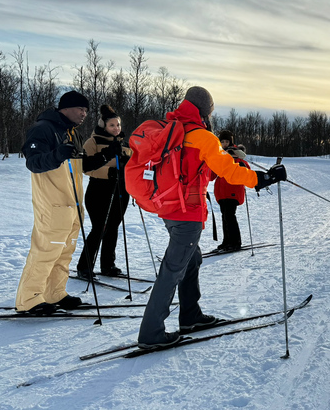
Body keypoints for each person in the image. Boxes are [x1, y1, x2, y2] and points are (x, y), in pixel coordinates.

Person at [136, 87, 287, 349]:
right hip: (187, 213)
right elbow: (229, 170)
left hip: (168, 208)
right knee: (172, 270)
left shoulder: (172, 129)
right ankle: (151, 333)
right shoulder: (202, 136)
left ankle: (190, 316)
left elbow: (203, 171)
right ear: (205, 110)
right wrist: (262, 178)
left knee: (191, 259)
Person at [16, 91, 115, 314]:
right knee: (45, 251)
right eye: (80, 109)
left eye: (86, 111)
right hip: (52, 205)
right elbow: (34, 163)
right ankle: (29, 299)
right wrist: (57, 154)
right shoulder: (43, 128)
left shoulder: (73, 133)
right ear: (66, 108)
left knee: (64, 252)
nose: (84, 114)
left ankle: (54, 293)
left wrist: (105, 158)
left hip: (72, 205)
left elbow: (81, 167)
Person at [76, 105, 132, 279]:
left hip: (120, 190)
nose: (116, 128)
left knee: (113, 227)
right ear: (103, 125)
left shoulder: (123, 144)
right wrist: (109, 167)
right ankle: (84, 267)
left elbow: (132, 166)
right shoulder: (92, 142)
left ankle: (108, 265)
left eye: (118, 125)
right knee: (99, 228)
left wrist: (126, 167)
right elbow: (85, 167)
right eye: (112, 125)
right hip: (99, 190)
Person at [214, 130, 250, 252]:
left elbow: (246, 168)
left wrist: (237, 159)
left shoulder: (237, 154)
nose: (224, 144)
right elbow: (214, 173)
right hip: (222, 192)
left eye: (226, 141)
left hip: (232, 190)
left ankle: (235, 242)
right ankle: (227, 241)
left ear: (231, 142)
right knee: (225, 217)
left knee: (230, 216)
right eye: (222, 141)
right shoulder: (219, 153)